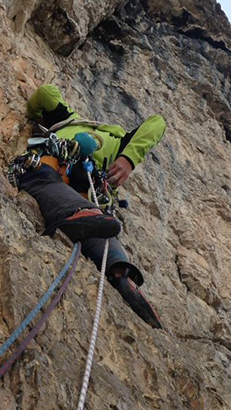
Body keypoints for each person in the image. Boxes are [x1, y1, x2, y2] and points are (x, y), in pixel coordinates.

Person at [15, 84, 166, 328]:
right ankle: (119, 271)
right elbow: (45, 93)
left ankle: (120, 273)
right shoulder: (68, 120)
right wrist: (33, 113)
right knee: (46, 176)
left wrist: (129, 158)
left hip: (87, 185)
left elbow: (157, 123)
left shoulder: (117, 143)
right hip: (58, 167)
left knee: (97, 221)